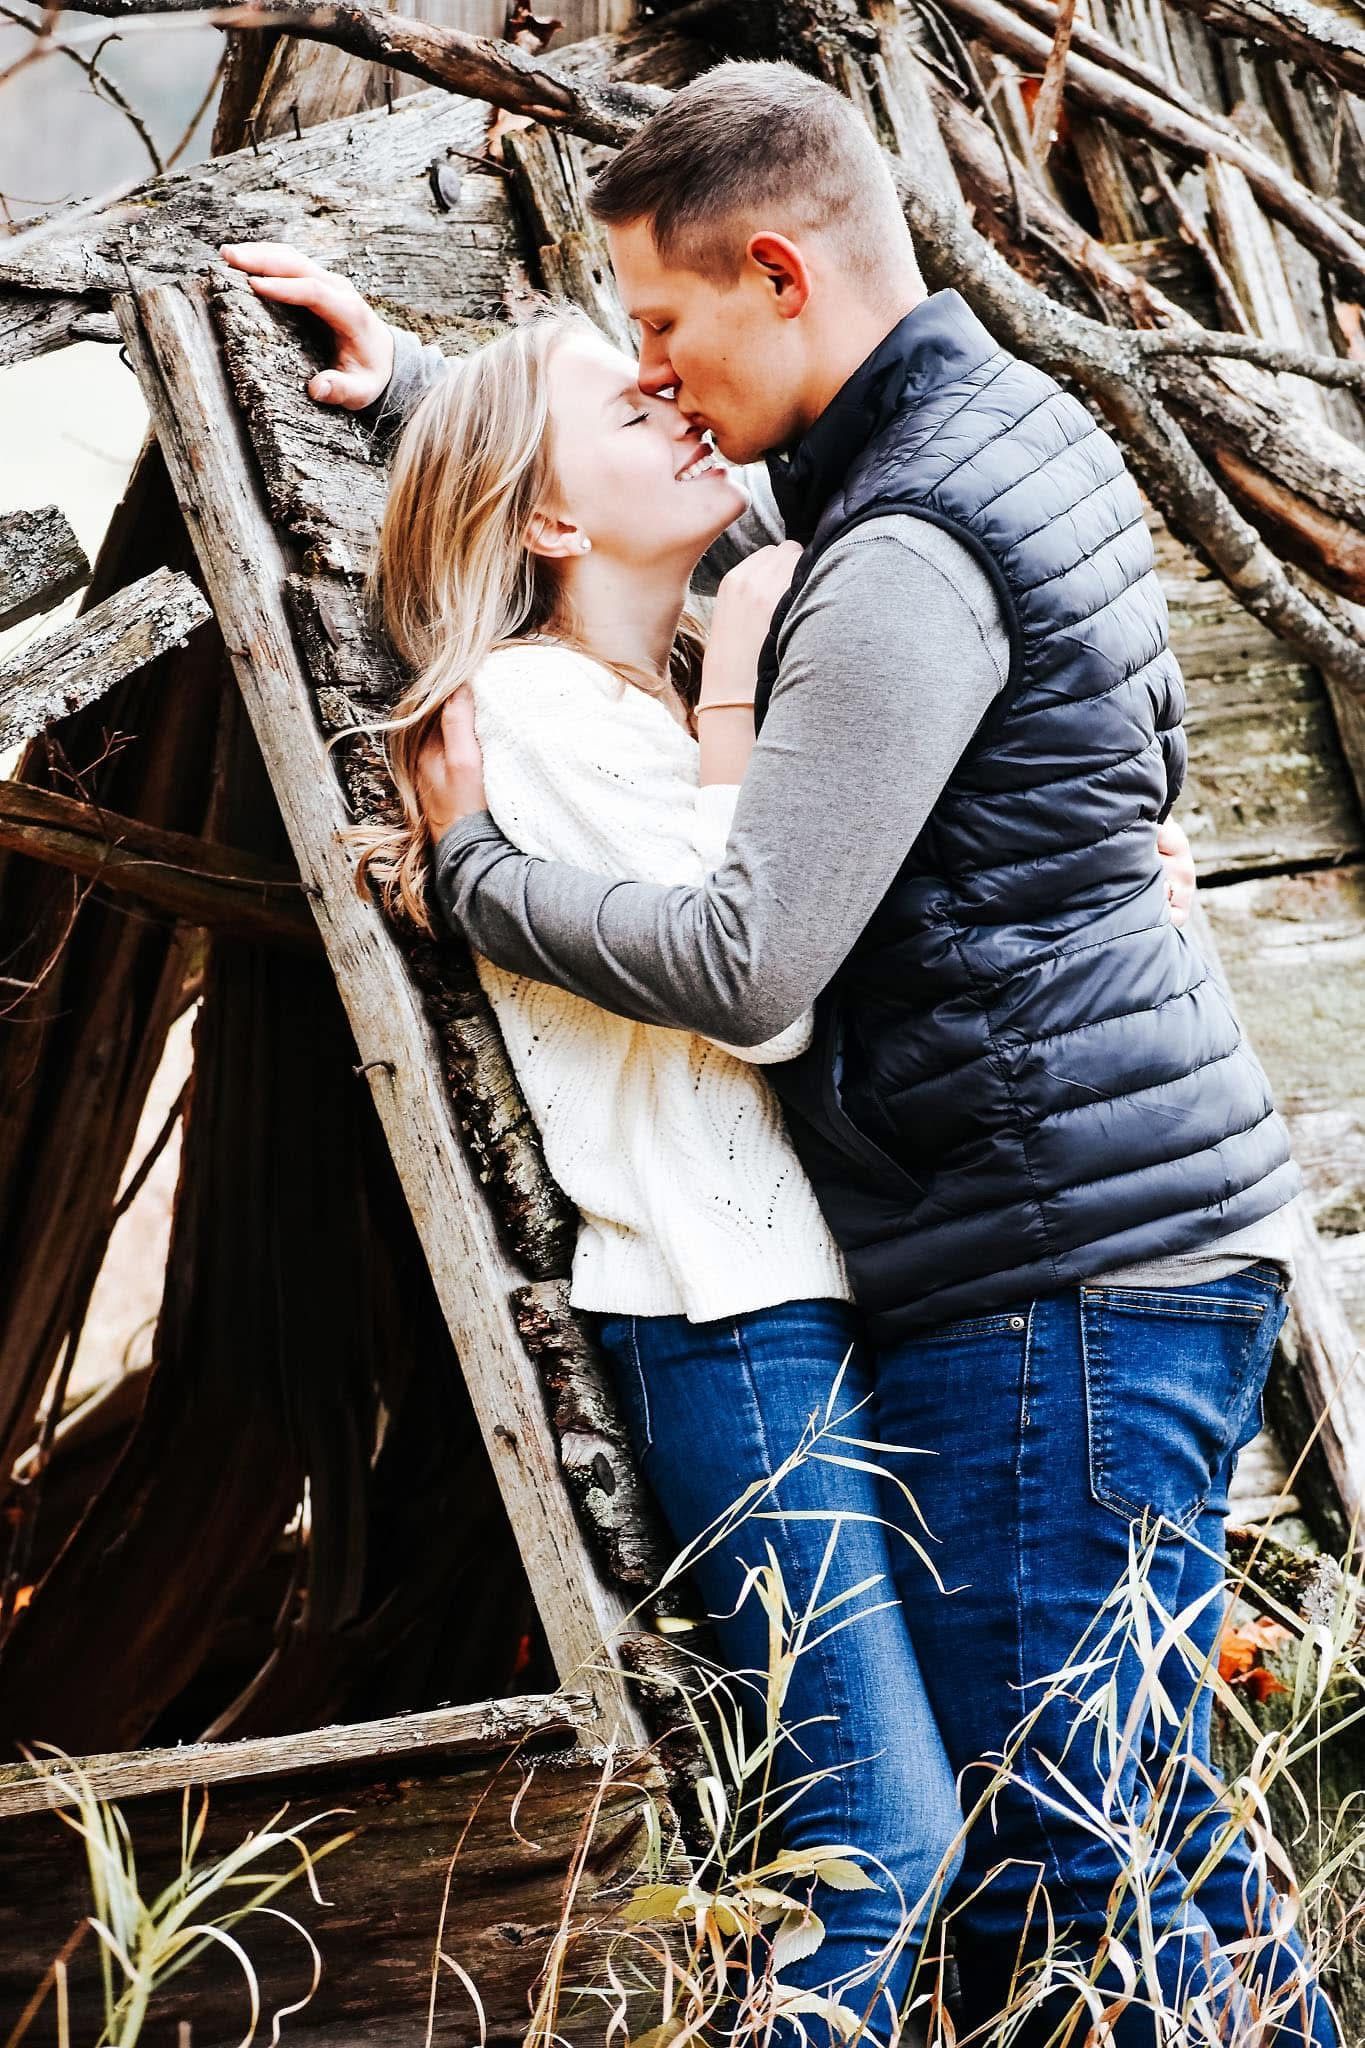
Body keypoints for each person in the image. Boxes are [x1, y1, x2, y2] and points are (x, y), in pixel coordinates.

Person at [220, 55, 1332, 2043]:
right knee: (1134, 1833)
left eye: (661, 326)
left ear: (768, 276)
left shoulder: (898, 543)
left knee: (1048, 1852)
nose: (657, 376)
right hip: (1096, 1241)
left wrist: (465, 872)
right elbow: (1120, 743)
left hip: (1051, 1281)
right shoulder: (979, 425)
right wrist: (420, 399)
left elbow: (746, 960)